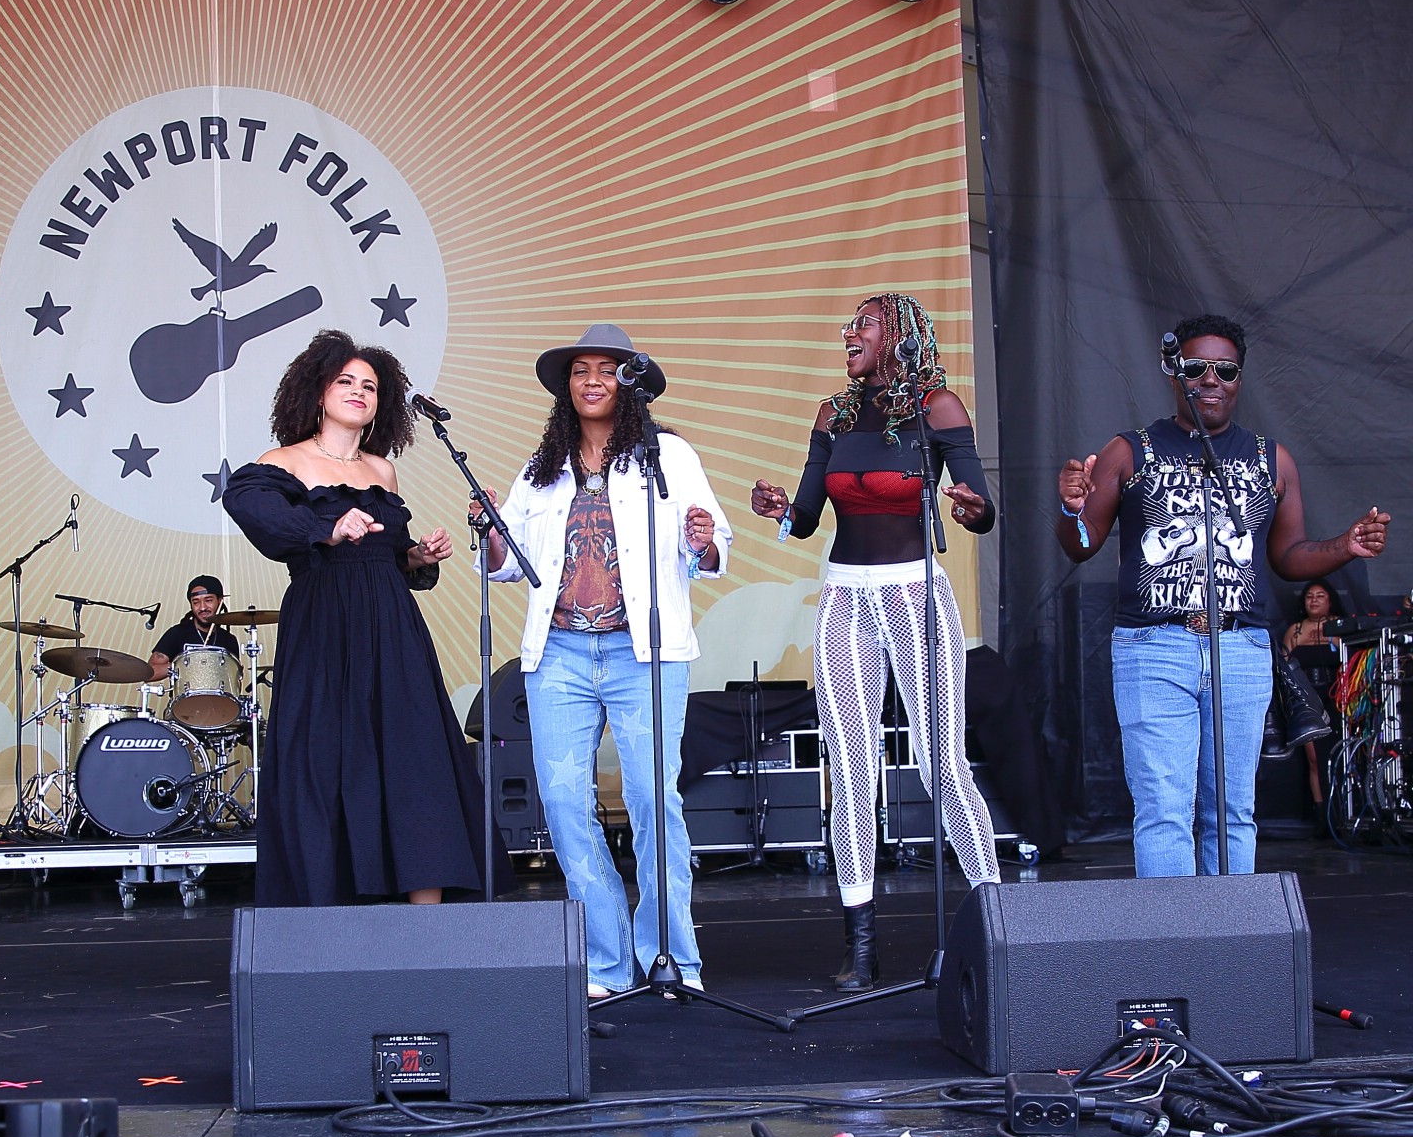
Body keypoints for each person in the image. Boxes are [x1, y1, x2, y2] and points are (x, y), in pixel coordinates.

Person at [1055, 313, 1389, 877]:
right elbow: (1081, 546)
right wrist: (1070, 507)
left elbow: (1287, 558)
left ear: (1240, 378)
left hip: (1240, 649)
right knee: (1164, 811)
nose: (1210, 380)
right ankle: (1177, 950)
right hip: (1153, 646)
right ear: (1173, 372)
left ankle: (1230, 948)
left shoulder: (1271, 459)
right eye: (1196, 368)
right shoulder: (1128, 450)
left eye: (1225, 371)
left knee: (1233, 813)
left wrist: (1345, 546)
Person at [750, 294, 1001, 991]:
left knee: (941, 764)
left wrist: (975, 507)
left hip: (914, 595)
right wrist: (780, 510)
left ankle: (998, 922)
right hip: (844, 599)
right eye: (848, 325)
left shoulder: (938, 407)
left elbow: (978, 507)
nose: (848, 334)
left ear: (902, 333)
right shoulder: (832, 414)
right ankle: (860, 945)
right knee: (851, 771)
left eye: (863, 324)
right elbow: (806, 519)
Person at [480, 324, 732, 998]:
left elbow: (711, 548)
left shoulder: (667, 455)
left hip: (643, 653)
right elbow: (506, 566)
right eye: (580, 370)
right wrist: (490, 539)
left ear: (630, 382)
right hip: (557, 652)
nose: (593, 380)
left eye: (607, 369)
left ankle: (670, 957)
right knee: (564, 806)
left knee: (655, 803)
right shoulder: (541, 469)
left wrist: (703, 540)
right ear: (566, 387)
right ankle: (609, 959)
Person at [222, 328, 507, 905]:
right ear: (317, 392)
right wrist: (325, 528)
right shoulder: (285, 461)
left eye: (370, 386)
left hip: (391, 624)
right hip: (324, 622)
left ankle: (426, 910)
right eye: (345, 382)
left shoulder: (383, 471)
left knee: (413, 753)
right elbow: (248, 507)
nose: (358, 392)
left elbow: (389, 556)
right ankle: (328, 910)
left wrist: (417, 557)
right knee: (325, 756)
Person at [1282, 581, 1346, 829]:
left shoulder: (1339, 626)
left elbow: (1353, 658)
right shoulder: (1295, 630)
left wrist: (1332, 639)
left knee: (1340, 754)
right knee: (1313, 757)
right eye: (1310, 596)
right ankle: (1322, 816)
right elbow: (1284, 667)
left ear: (1330, 600)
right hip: (1307, 700)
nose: (1314, 600)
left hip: (1338, 699)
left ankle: (1344, 811)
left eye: (1320, 596)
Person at [146, 575, 241, 682]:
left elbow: (235, 680)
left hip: (219, 698)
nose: (203, 607)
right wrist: (182, 666)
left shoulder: (229, 640)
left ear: (219, 601)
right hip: (184, 698)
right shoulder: (177, 633)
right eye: (196, 602)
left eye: (208, 600)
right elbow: (149, 673)